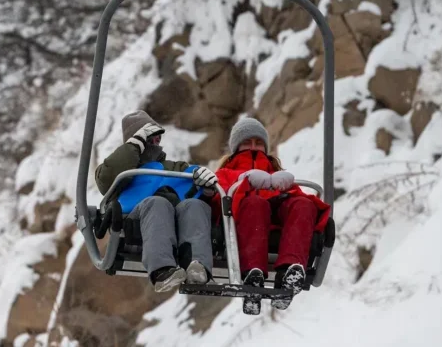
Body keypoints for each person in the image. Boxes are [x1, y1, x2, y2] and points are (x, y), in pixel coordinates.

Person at [213, 117, 330, 315]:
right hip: (247, 223)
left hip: (276, 221)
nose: (254, 146)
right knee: (256, 204)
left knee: (303, 204)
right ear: (236, 147)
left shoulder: (275, 173)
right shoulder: (225, 174)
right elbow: (219, 204)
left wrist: (288, 190)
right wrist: (244, 183)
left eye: (258, 142)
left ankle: (289, 272)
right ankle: (253, 273)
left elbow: (304, 209)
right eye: (247, 142)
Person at [95, 110, 219, 292]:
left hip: (175, 219)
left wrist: (207, 187)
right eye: (149, 139)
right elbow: (106, 180)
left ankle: (197, 265)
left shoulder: (174, 168)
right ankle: (162, 270)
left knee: (194, 205)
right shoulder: (121, 171)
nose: (155, 143)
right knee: (157, 203)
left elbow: (196, 190)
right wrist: (132, 149)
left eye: (157, 139)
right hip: (136, 219)